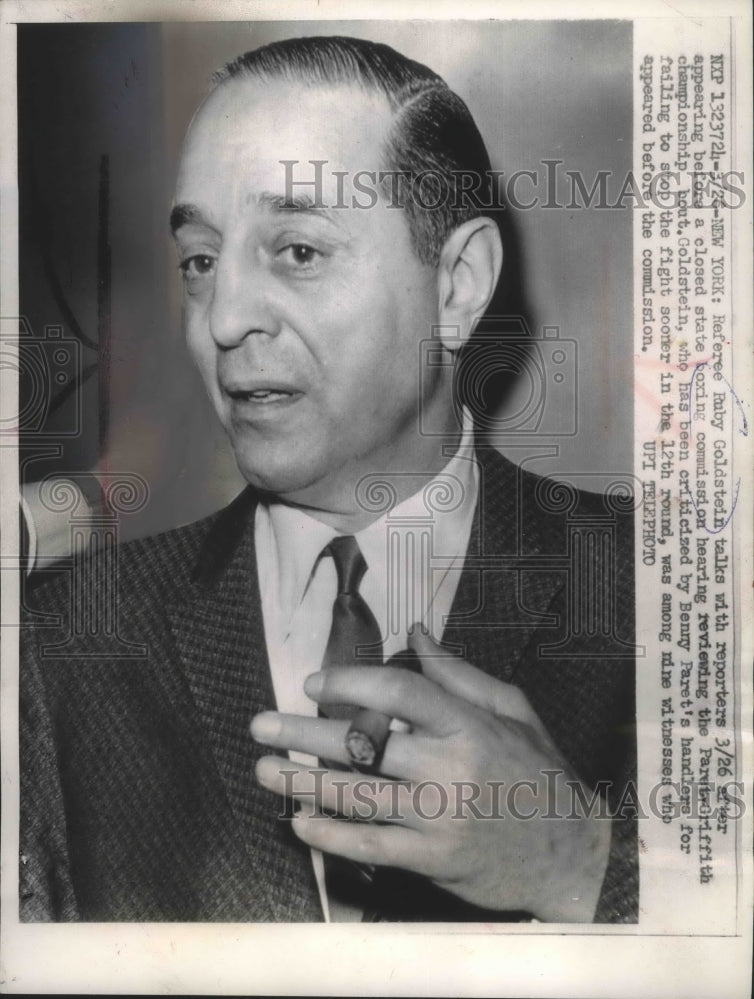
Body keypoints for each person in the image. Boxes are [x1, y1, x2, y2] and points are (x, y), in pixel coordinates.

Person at [20, 35, 637, 924]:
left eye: (298, 252)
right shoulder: (56, 641)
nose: (222, 321)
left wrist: (580, 867)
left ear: (458, 287)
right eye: (200, 261)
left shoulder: (674, 591)